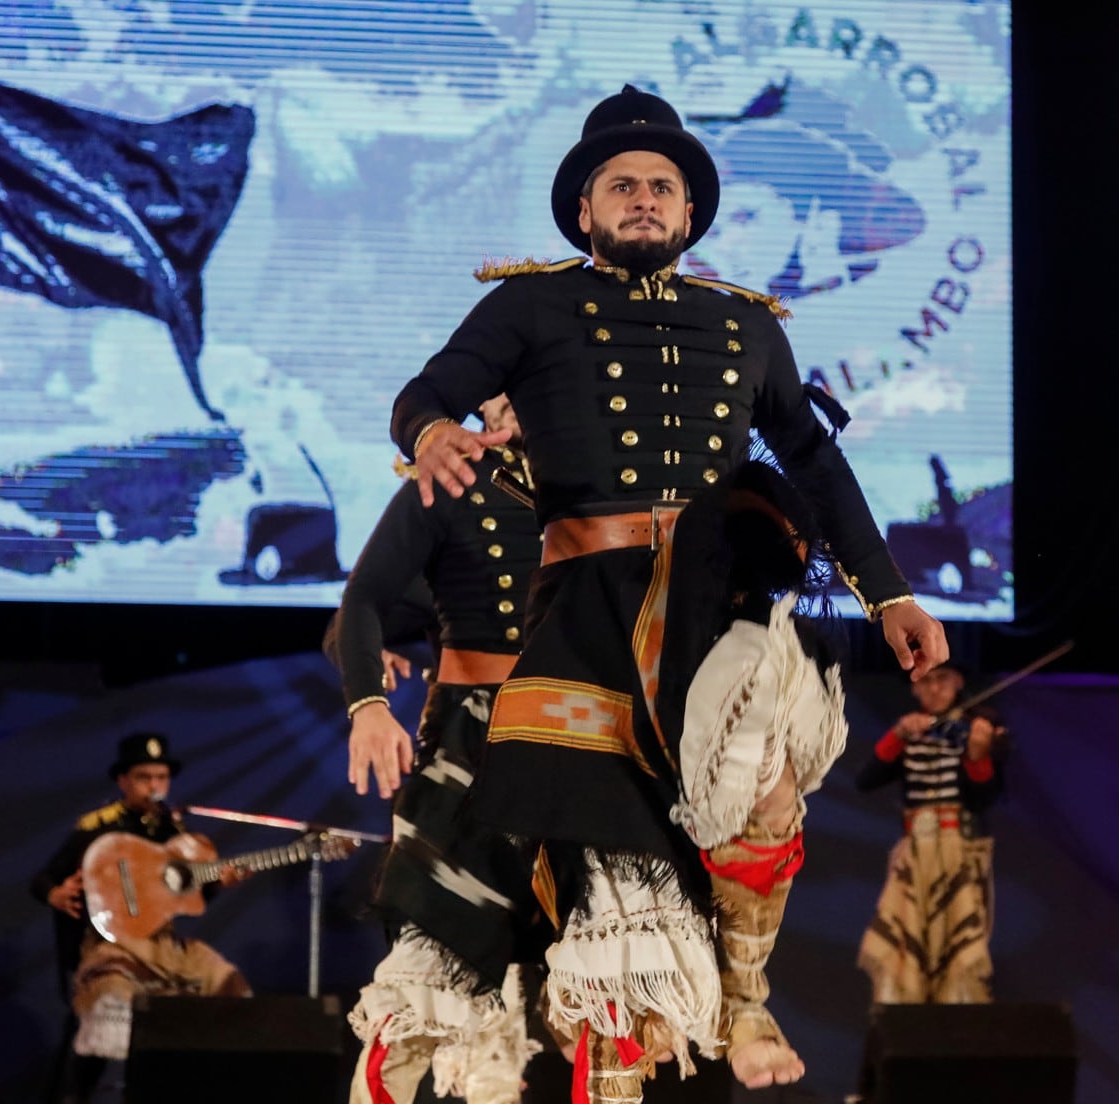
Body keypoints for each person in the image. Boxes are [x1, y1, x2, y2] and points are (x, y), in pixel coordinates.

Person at [388, 84, 948, 1102]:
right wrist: (431, 432)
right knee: (608, 869)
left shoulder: (745, 326)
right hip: (589, 616)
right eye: (622, 187)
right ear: (584, 212)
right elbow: (428, 390)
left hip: (715, 607)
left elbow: (815, 470)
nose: (644, 200)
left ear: (689, 215)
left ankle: (743, 994)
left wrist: (889, 595)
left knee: (765, 795)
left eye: (662, 187)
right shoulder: (527, 304)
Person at [330, 393, 551, 1104]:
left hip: (585, 746)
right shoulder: (453, 480)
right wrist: (368, 701)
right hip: (471, 747)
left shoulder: (604, 485)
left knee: (599, 979)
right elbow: (360, 605)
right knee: (433, 970)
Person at [30, 733, 251, 1097]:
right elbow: (43, 879)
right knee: (110, 999)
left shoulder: (175, 832)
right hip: (110, 944)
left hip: (162, 945)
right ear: (124, 781)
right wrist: (55, 893)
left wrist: (219, 882)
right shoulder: (98, 828)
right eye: (144, 777)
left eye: (161, 778)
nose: (154, 786)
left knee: (222, 978)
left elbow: (189, 896)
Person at [854, 662, 1007, 1005]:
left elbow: (985, 797)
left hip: (958, 851)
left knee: (958, 939)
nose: (934, 689)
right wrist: (898, 734)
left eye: (942, 680)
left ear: (958, 682)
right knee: (904, 939)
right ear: (914, 689)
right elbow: (865, 780)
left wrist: (977, 755)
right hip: (915, 852)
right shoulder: (912, 732)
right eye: (925, 682)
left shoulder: (971, 731)